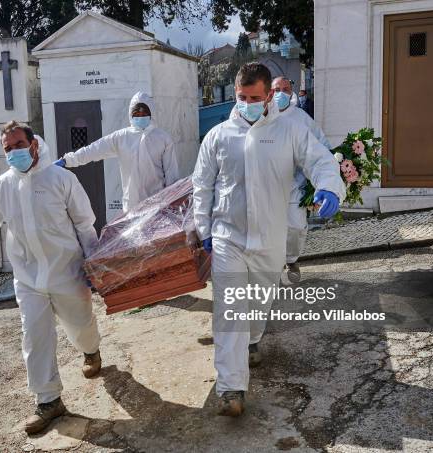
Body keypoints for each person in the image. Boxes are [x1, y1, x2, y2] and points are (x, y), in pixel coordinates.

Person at [193, 63, 345, 417]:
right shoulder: (218, 136)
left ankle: (252, 341)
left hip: (271, 240)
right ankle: (231, 388)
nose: (246, 103)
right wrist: (204, 231)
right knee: (230, 310)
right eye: (241, 97)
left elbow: (320, 160)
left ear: (269, 97)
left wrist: (328, 187)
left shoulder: (289, 129)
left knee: (257, 307)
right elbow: (202, 186)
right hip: (228, 237)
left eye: (254, 98)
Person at [0, 121, 102, 434]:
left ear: (33, 144)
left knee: (81, 325)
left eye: (18, 145)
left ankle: (91, 351)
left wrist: (93, 262)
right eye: (7, 148)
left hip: (68, 272)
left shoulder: (61, 179)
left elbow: (85, 225)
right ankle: (49, 401)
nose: (13, 152)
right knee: (34, 336)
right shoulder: (3, 187)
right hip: (28, 278)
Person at [55, 91, 179, 213]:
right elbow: (94, 149)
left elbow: (171, 174)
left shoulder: (163, 139)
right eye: (136, 112)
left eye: (144, 112)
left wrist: (171, 205)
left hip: (157, 207)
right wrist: (68, 160)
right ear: (131, 114)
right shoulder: (121, 137)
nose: (140, 115)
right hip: (132, 208)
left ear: (151, 113)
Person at [273, 76, 331, 283]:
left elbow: (321, 143)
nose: (281, 93)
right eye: (276, 89)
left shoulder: (301, 118)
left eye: (285, 89)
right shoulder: (263, 116)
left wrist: (331, 168)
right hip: (267, 186)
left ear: (292, 91)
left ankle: (292, 260)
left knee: (296, 226)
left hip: (294, 184)